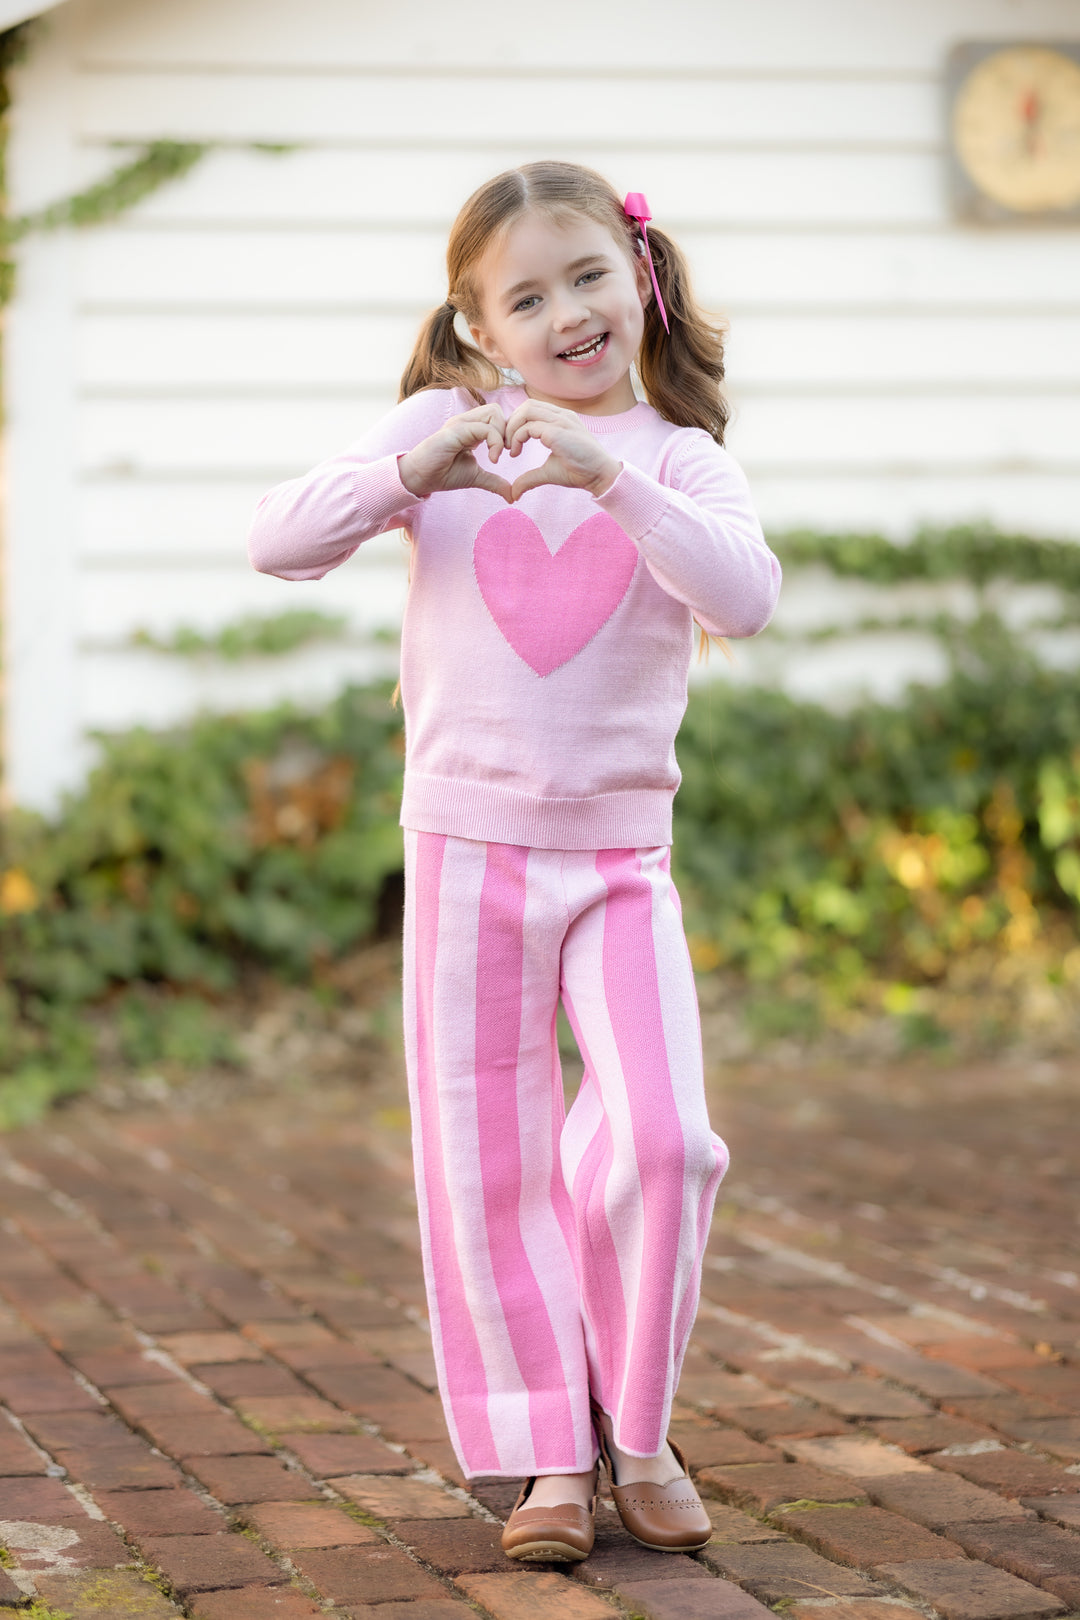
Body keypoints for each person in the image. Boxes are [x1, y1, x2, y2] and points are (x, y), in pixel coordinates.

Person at [248, 159, 781, 1563]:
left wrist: (610, 475)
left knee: (663, 1140)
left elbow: (746, 593)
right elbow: (279, 543)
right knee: (490, 1156)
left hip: (620, 860)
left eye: (589, 277)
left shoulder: (674, 456)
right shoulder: (444, 429)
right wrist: (404, 470)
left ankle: (639, 1422)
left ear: (641, 282)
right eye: (528, 297)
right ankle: (551, 1455)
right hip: (467, 849)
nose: (568, 314)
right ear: (483, 327)